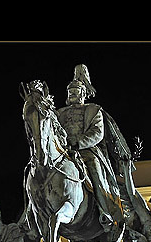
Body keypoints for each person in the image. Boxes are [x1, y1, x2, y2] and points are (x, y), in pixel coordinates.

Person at [55, 64, 129, 232]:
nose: (72, 94)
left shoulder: (93, 110)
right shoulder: (60, 113)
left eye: (76, 92)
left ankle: (105, 211)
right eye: (70, 92)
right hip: (64, 153)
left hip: (86, 152)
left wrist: (77, 142)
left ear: (83, 94)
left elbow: (97, 133)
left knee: (94, 171)